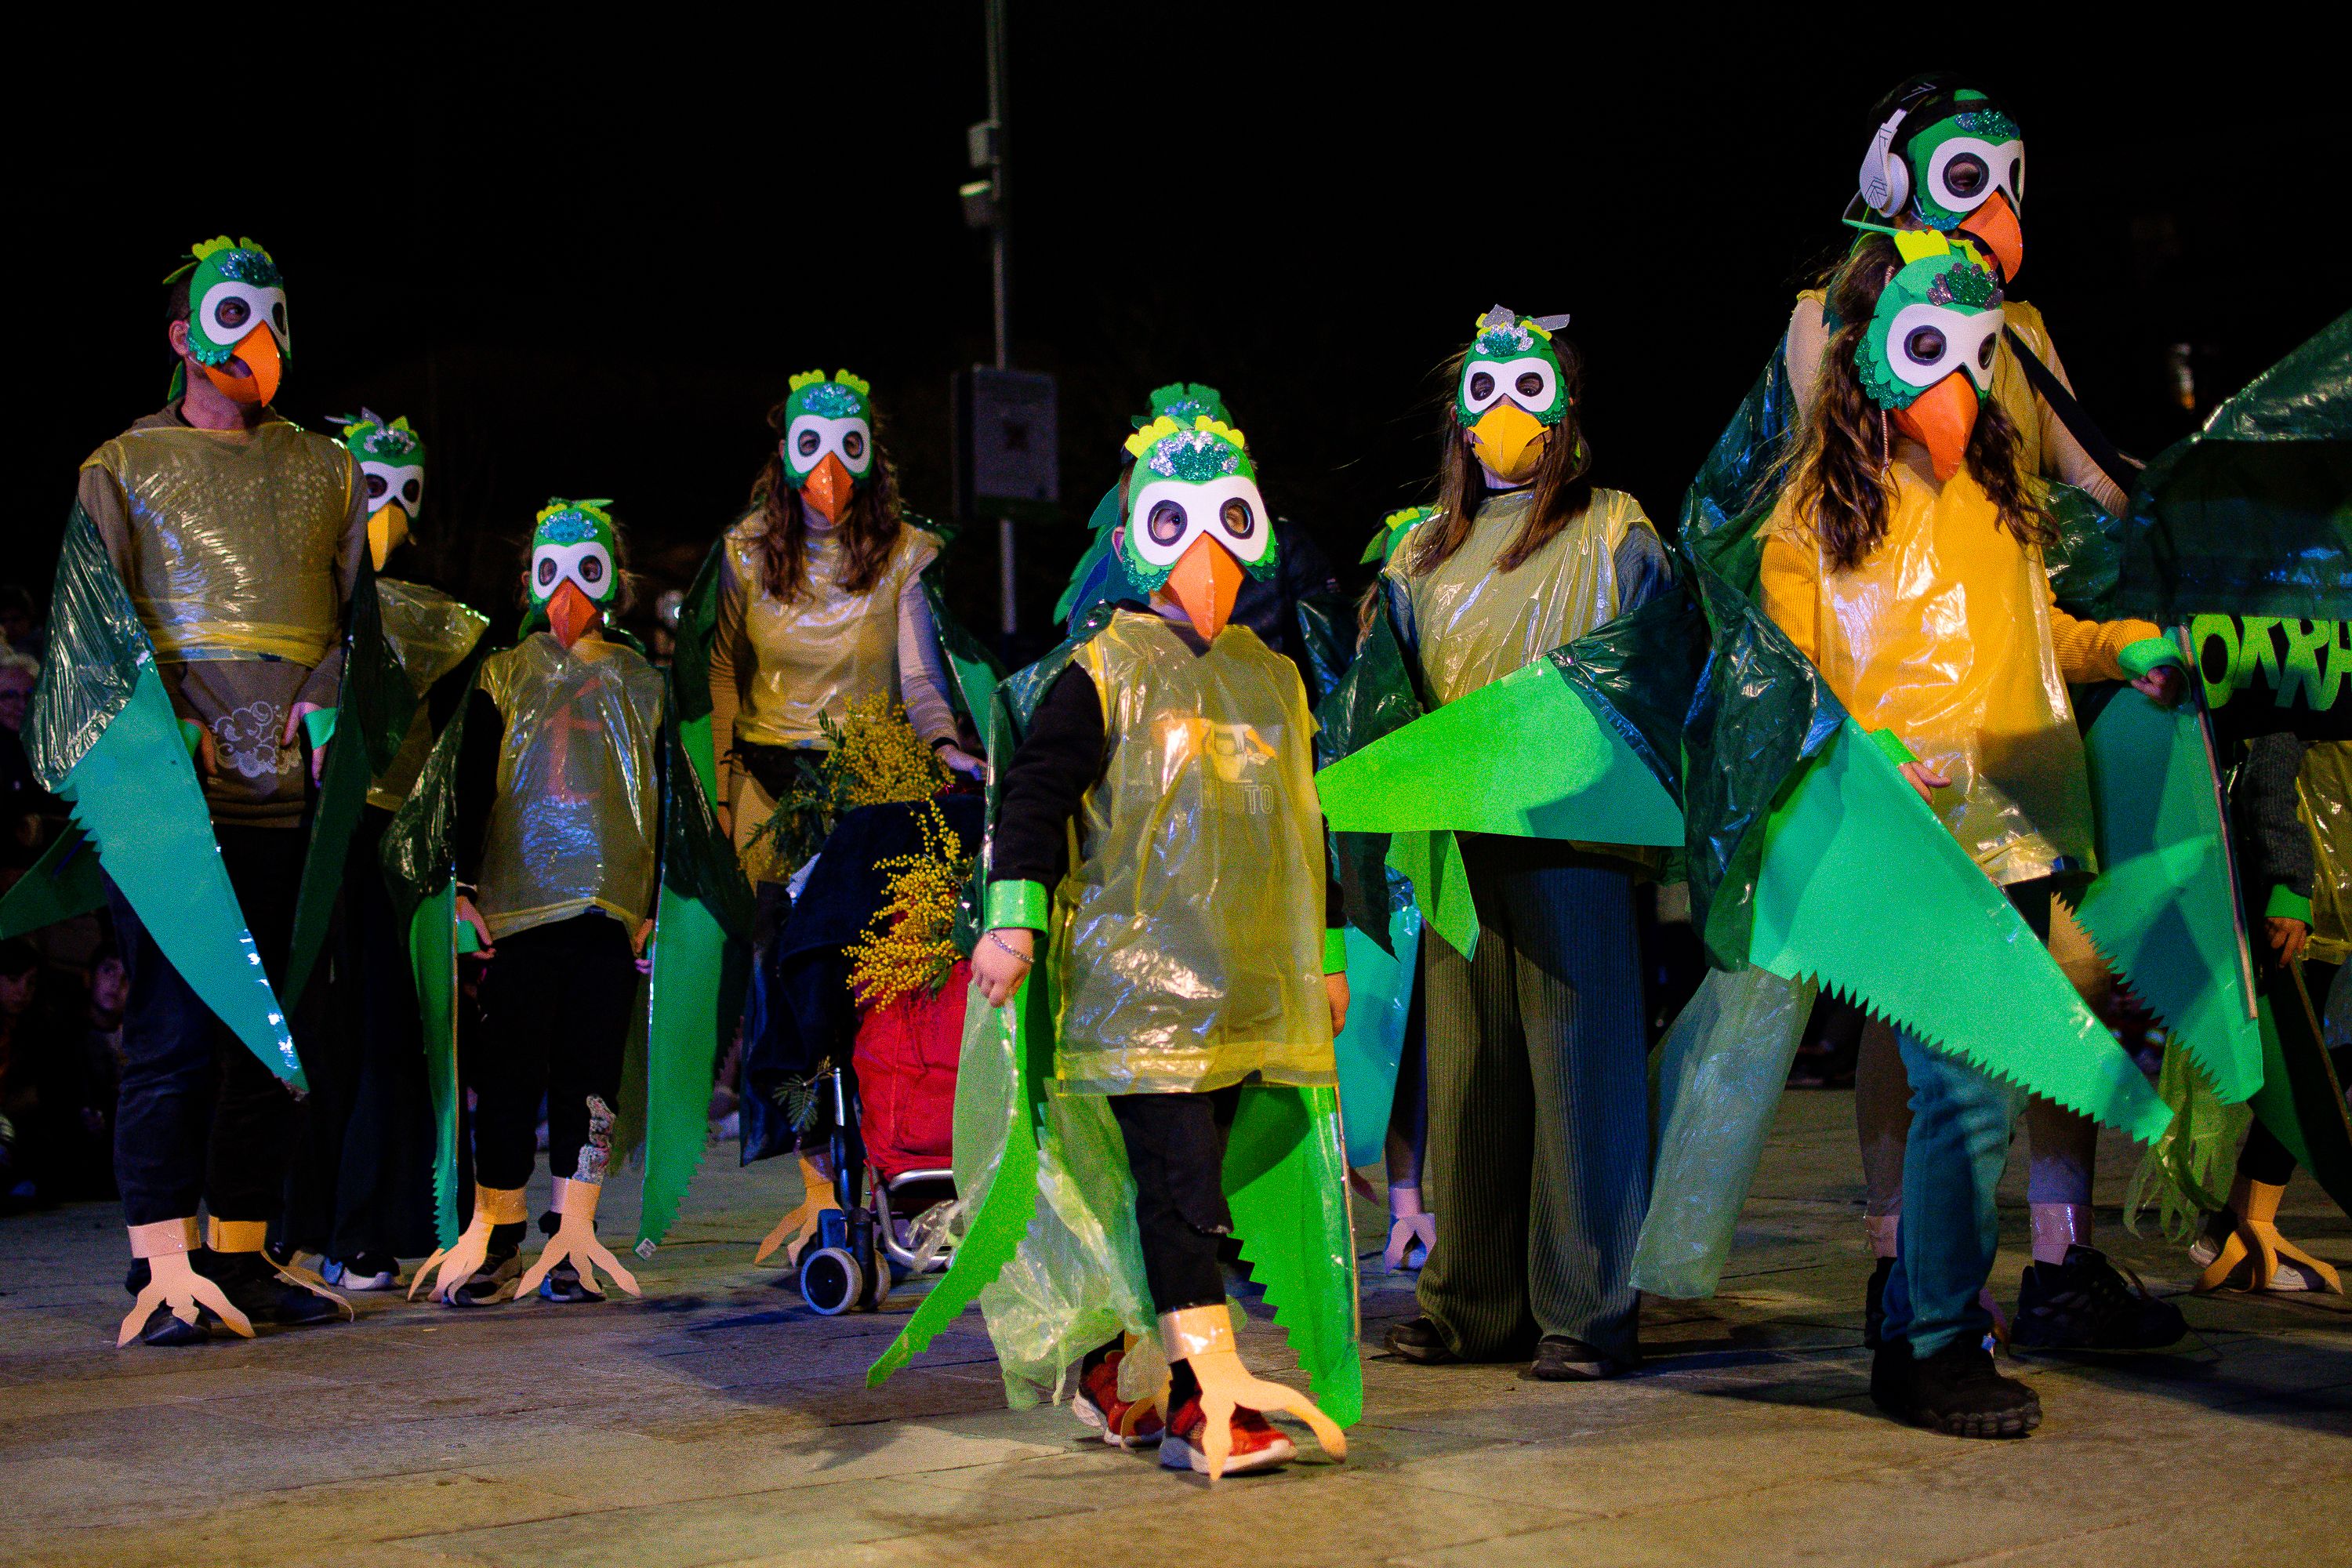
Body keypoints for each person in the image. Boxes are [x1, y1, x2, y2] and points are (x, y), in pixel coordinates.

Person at [1757, 228, 2187, 1436]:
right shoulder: (1815, 517)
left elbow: (2033, 630)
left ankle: (1921, 1323)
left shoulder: (1998, 497)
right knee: (1965, 1102)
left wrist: (2120, 650)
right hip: (1908, 844)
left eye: (1976, 358)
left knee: (1981, 1089)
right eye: (1931, 354)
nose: (1958, 386)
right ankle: (1935, 1342)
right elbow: (1792, 682)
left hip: (2019, 828)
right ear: (1873, 364)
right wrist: (1875, 757)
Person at [942, 410, 1354, 1479]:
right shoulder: (1103, 668)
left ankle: (1163, 1384)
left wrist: (1332, 949)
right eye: (1181, 524)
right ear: (1142, 538)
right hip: (1134, 996)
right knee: (1175, 1189)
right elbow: (1034, 799)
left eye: (1230, 520)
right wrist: (1014, 922)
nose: (1207, 555)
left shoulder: (1274, 677)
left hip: (1242, 996)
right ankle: (1211, 1402)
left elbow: (1310, 822)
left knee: (1185, 1201)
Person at [68, 235, 362, 1345]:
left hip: (292, 797)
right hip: (172, 813)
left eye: (273, 312)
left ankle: (241, 1258)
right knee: (175, 1032)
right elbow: (95, 633)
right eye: (233, 314)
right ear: (185, 334)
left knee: (268, 1038)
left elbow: (356, 622)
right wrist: (160, 729)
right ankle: (161, 1265)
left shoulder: (327, 467)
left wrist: (331, 693)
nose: (258, 335)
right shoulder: (120, 467)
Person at [1377, 307, 1673, 1381]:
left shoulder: (1614, 531)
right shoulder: (1420, 552)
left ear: (1566, 412)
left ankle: (1587, 1310)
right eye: (1486, 395)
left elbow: (1655, 671)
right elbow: (1393, 695)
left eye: (1529, 392)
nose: (1507, 416)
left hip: (1573, 838)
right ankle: (1470, 1304)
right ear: (1460, 419)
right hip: (1462, 836)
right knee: (1468, 1077)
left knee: (1578, 1070)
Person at [405, 500, 661, 1308]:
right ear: (528, 580)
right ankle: (498, 1228)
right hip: (518, 910)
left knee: (590, 1079)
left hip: (609, 910)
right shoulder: (501, 671)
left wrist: (658, 902)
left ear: (614, 577)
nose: (567, 590)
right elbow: (468, 782)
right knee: (507, 1073)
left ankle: (572, 1233)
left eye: (587, 568)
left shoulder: (643, 678)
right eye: (551, 570)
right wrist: (464, 889)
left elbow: (672, 796)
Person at [283, 410, 486, 1291]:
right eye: (376, 487)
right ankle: (286, 1221)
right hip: (305, 833)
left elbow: (459, 755)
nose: (392, 510)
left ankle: (377, 1221)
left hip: (399, 844)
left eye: (409, 490)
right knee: (309, 1034)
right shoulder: (300, 590)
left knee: (393, 1032)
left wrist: (461, 868)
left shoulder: (441, 614)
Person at [706, 369, 984, 869]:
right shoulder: (745, 551)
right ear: (787, 451)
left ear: (869, 455)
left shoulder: (906, 553)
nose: (828, 468)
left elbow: (919, 677)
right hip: (762, 782)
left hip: (871, 784)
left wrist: (943, 744)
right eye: (811, 444)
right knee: (769, 940)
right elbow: (724, 669)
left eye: (847, 445)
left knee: (859, 934)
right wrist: (720, 793)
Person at [2190, 736, 2347, 1294]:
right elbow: (2270, 773)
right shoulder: (2323, 662)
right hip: (2323, 907)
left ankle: (2239, 1223)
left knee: (2331, 1060)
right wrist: (2289, 884)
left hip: (2335, 900)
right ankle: (2243, 1225)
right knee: (2317, 1062)